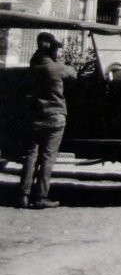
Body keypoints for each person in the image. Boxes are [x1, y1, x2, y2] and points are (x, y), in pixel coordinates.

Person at [18, 32, 76, 209]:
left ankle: (23, 195)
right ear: (50, 48)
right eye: (55, 48)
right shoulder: (55, 68)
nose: (57, 51)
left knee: (31, 155)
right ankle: (40, 196)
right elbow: (73, 74)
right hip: (54, 117)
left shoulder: (33, 65)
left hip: (35, 117)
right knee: (48, 157)